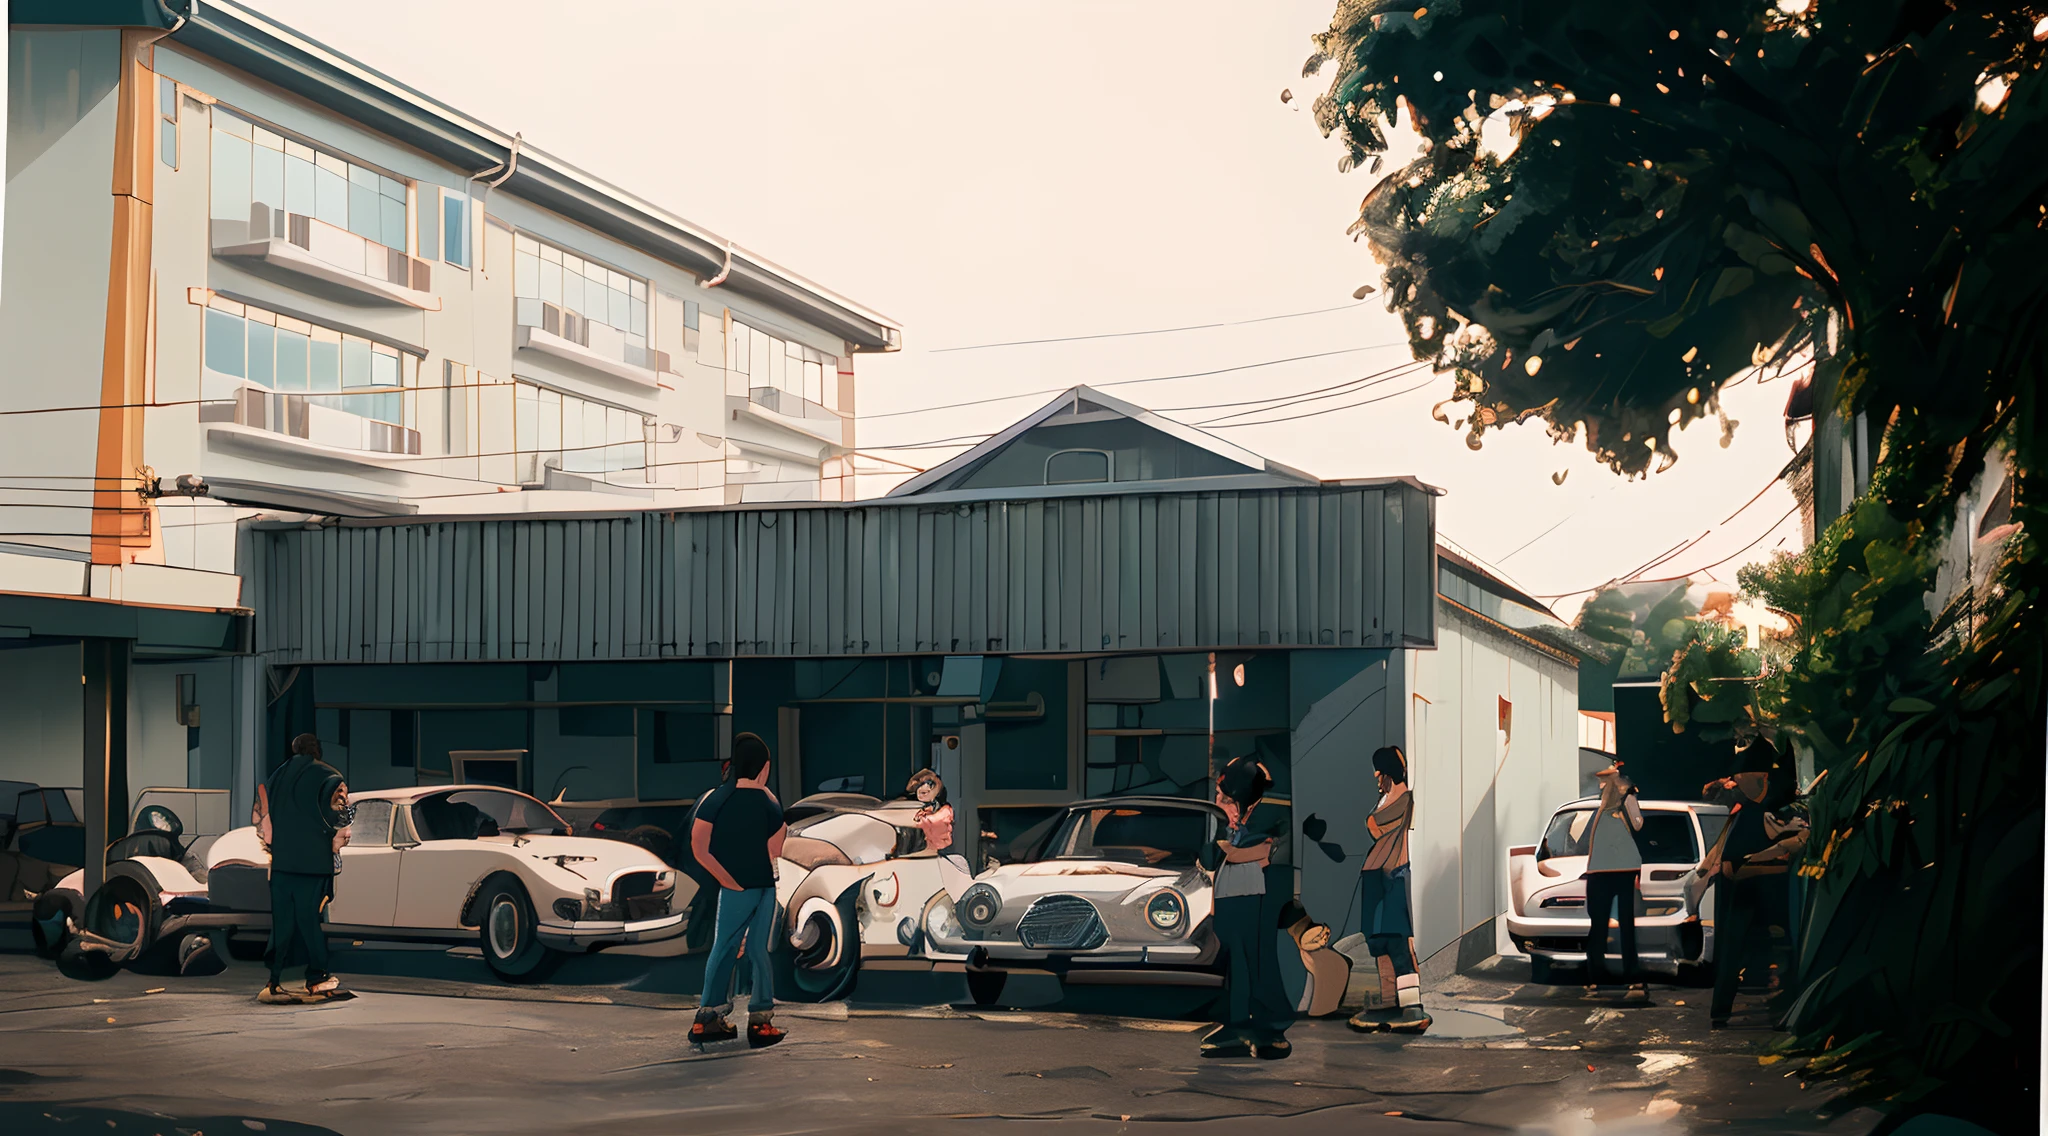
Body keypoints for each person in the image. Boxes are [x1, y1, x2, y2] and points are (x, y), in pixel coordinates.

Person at [690, 733, 787, 1048]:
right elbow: (776, 848)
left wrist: (725, 879)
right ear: (764, 767)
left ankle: (708, 1020)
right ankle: (760, 1023)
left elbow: (699, 846)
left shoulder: (717, 798)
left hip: (735, 888)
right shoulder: (769, 801)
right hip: (763, 886)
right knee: (759, 952)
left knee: (724, 948)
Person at [1197, 756, 1293, 1059]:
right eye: (1219, 797)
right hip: (1226, 896)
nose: (1219, 803)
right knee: (1230, 962)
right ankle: (1236, 1025)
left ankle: (1270, 1026)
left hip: (1252, 896)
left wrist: (1229, 850)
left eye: (1226, 799)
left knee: (1257, 960)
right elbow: (1208, 860)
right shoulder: (1223, 828)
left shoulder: (1263, 821)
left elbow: (1262, 852)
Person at [1705, 740, 1797, 1029]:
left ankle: (1783, 1009)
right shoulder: (1749, 809)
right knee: (1744, 946)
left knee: (1775, 946)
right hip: (1753, 888)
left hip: (1763, 887)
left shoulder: (1766, 809)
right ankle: (1725, 1010)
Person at [257, 733, 349, 1004]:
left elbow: (264, 817)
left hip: (283, 863)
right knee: (310, 921)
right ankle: (316, 977)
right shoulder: (329, 776)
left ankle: (275, 980)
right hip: (313, 863)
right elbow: (339, 814)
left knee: (282, 923)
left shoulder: (276, 777)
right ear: (317, 750)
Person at [1348, 745, 1430, 1033]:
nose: (1376, 777)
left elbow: (1377, 826)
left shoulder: (1403, 800)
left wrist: (1374, 822)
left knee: (1398, 943)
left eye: (1379, 772)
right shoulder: (1384, 800)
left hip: (1393, 875)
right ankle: (1388, 1001)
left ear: (1387, 773)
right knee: (1378, 943)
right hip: (1375, 877)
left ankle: (1411, 1006)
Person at [1582, 762, 1648, 1002]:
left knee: (1605, 924)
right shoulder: (1621, 799)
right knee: (1617, 925)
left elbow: (1636, 824)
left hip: (1608, 869)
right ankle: (1621, 976)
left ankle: (1602, 977)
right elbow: (1638, 824)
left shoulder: (1611, 804)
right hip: (1617, 868)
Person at [906, 769, 974, 902]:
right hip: (925, 856)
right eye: (919, 787)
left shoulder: (945, 811)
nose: (922, 789)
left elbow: (934, 822)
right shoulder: (921, 810)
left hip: (945, 855)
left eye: (928, 786)